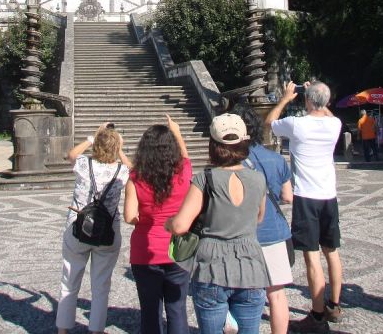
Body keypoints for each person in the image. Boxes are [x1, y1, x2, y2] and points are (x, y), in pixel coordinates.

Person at [165, 112, 270, 334]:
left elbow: (180, 225)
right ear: (244, 142)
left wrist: (168, 223)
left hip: (212, 266)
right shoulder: (258, 178)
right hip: (250, 264)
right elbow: (259, 217)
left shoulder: (205, 178)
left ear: (213, 144)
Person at [265, 81, 343, 333]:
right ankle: (334, 305)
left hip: (306, 196)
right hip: (329, 195)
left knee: (311, 256)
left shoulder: (297, 124)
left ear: (307, 100)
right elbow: (328, 113)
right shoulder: (335, 124)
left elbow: (269, 122)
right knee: (331, 251)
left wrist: (287, 98)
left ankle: (317, 315)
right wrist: (317, 95)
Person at [56, 123, 131, 334]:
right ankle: (96, 330)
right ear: (116, 147)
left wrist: (92, 138)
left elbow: (70, 154)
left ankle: (62, 330)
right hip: (108, 232)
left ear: (96, 146)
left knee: (69, 281)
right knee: (101, 286)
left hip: (77, 228)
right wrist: (120, 148)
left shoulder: (83, 164)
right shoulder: (121, 171)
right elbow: (133, 168)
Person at [124, 114, 192, 334]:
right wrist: (177, 132)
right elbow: (186, 157)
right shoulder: (183, 172)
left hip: (146, 251)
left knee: (150, 312)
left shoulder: (136, 177)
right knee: (177, 308)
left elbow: (128, 216)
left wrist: (144, 217)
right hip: (178, 250)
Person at [238, 102, 293, 334]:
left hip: (242, 235)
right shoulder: (276, 159)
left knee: (242, 295)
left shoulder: (232, 163)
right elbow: (288, 196)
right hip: (273, 232)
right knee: (277, 294)